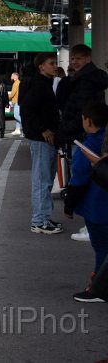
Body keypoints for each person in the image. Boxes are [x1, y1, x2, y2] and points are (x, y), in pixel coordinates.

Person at [63, 102, 108, 302]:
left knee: (102, 248)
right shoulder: (104, 139)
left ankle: (99, 289)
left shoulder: (87, 146)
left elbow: (79, 178)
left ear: (88, 122)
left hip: (97, 207)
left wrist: (69, 205)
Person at [19, 52, 63, 234]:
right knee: (42, 180)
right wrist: (43, 129)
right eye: (51, 63)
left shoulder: (44, 83)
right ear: (41, 67)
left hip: (46, 139)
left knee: (46, 179)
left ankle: (44, 217)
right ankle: (39, 221)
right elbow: (27, 109)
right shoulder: (39, 85)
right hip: (41, 139)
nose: (55, 66)